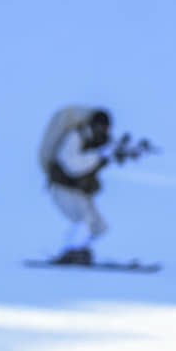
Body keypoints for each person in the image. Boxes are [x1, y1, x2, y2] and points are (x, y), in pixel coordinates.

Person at [42, 108, 114, 264]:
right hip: (62, 188)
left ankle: (80, 249)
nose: (104, 131)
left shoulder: (98, 142)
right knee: (84, 219)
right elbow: (71, 164)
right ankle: (72, 251)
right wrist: (98, 156)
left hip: (78, 191)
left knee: (99, 226)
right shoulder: (76, 136)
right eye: (102, 127)